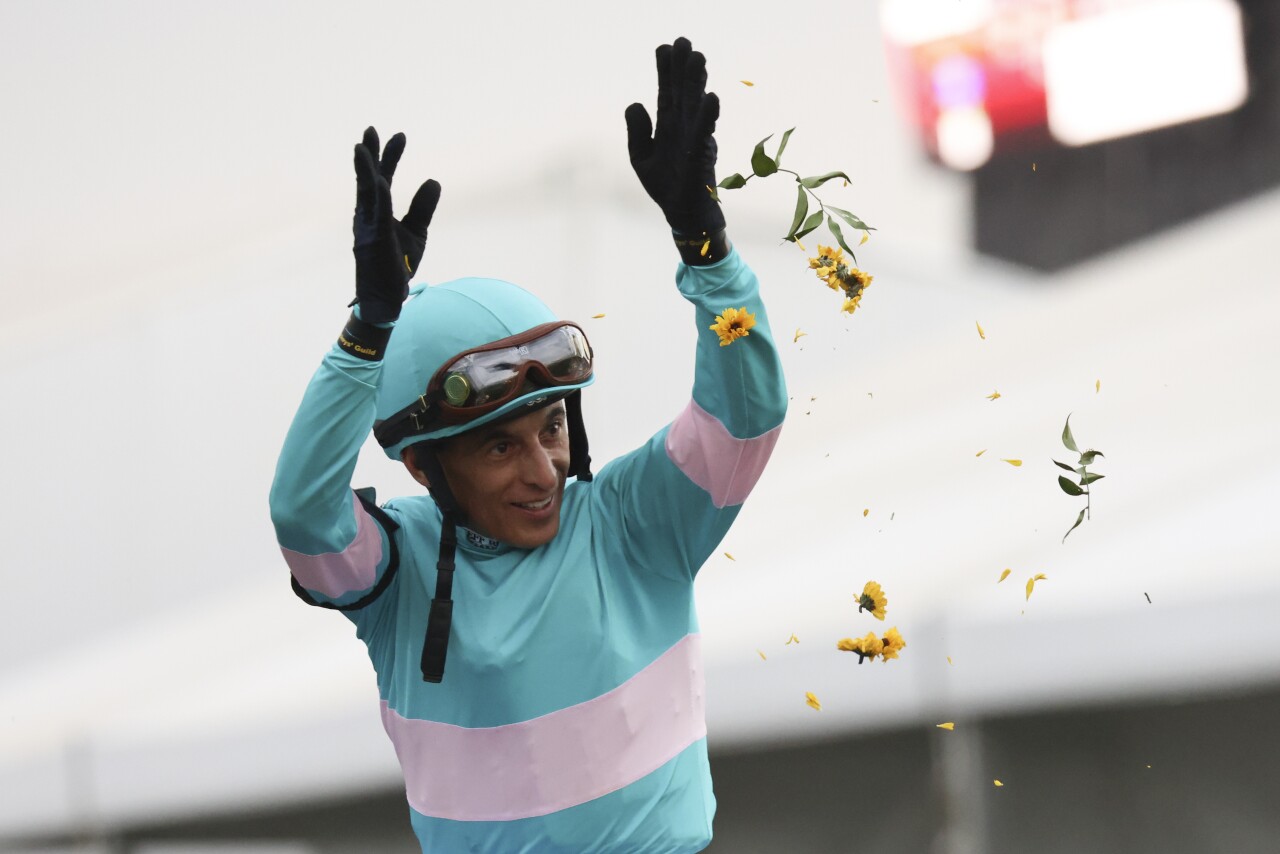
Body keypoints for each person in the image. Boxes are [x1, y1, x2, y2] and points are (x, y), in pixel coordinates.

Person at [269, 36, 787, 853]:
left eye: (550, 429)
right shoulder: (395, 569)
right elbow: (302, 515)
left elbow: (745, 418)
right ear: (422, 466)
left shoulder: (634, 522)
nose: (543, 470)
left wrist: (706, 246)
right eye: (500, 449)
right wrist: (365, 335)